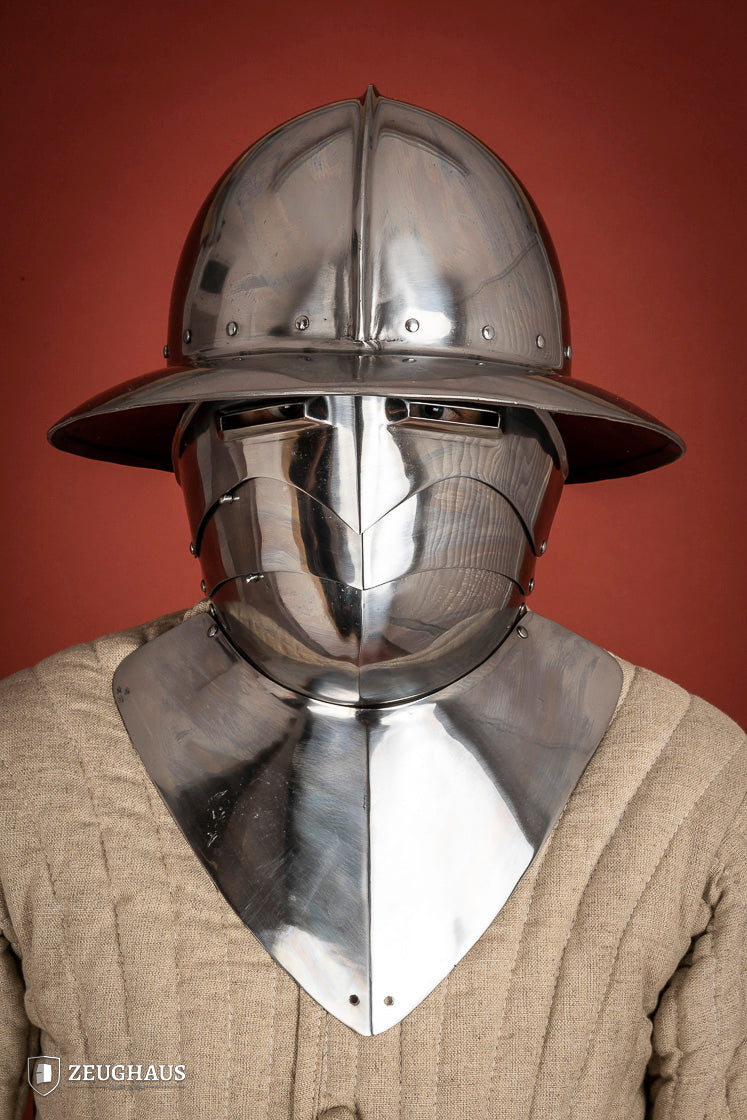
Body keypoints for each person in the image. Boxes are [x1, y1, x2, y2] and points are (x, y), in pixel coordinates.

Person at [1, 89, 744, 1119]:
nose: (358, 474)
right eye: (277, 412)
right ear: (193, 445)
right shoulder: (26, 762)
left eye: (442, 413)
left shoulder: (693, 788)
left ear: (543, 455)